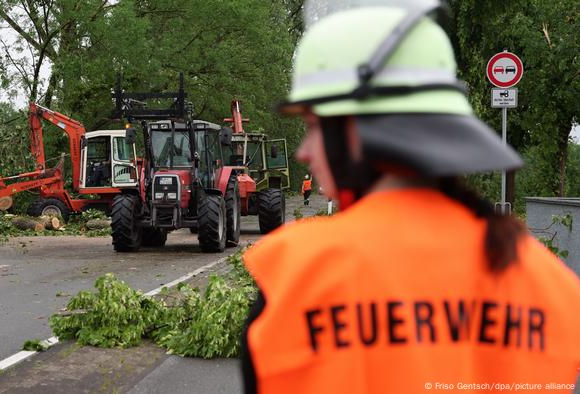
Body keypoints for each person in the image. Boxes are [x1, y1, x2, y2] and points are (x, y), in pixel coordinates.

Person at [240, 1, 580, 393]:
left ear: (355, 131)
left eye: (315, 126)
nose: (303, 151)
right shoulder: (549, 284)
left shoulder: (296, 278)